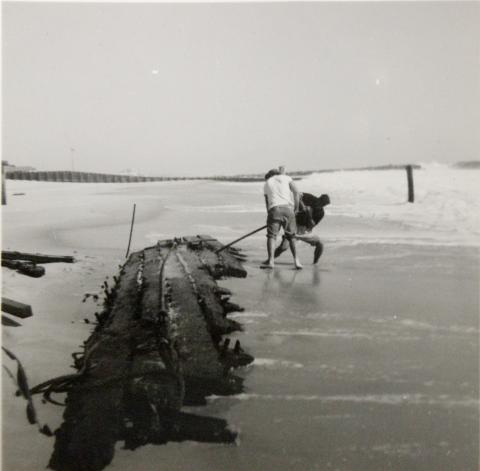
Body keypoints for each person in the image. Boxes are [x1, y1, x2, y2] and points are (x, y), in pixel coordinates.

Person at [262, 169, 302, 269]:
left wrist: (270, 216)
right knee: (291, 236)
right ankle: (297, 261)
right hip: (288, 209)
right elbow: (297, 193)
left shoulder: (267, 183)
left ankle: (271, 261)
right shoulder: (287, 178)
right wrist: (296, 209)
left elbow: (267, 202)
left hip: (274, 209)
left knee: (272, 236)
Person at [274, 192, 330, 264]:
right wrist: (302, 206)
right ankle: (270, 259)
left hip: (304, 230)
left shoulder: (321, 213)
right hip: (293, 225)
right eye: (321, 202)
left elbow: (311, 226)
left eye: (323, 205)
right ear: (319, 198)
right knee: (283, 247)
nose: (321, 205)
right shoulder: (310, 197)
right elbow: (297, 195)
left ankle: (314, 264)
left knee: (320, 245)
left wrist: (309, 214)